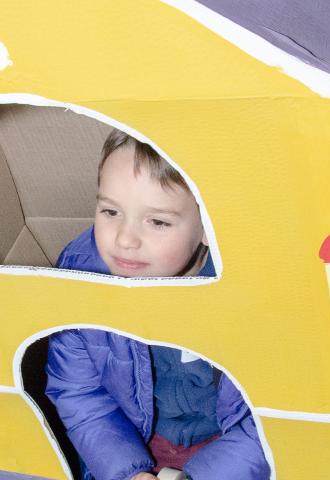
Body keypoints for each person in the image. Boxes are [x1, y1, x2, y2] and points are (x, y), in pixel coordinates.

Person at [45, 130, 270, 480]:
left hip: (231, 446)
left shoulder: (257, 289)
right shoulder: (80, 273)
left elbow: (276, 418)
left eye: (158, 221)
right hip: (132, 440)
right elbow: (78, 392)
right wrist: (126, 471)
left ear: (211, 225)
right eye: (110, 211)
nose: (124, 239)